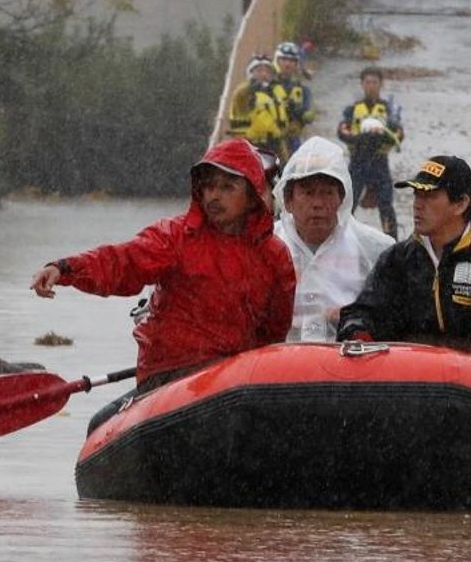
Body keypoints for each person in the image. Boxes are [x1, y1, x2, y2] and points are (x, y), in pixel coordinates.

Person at [31, 138, 296, 431]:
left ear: (252, 195)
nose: (214, 196)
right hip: (170, 375)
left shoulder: (275, 256)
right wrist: (65, 268)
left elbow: (274, 330)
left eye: (227, 187)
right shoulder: (176, 237)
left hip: (234, 378)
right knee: (100, 425)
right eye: (209, 186)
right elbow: (123, 261)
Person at [336, 155, 471, 367]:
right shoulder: (396, 260)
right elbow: (361, 313)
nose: (417, 205)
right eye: (416, 195)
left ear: (461, 204)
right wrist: (358, 333)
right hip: (404, 375)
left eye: (429, 195)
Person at [273, 137, 395, 341]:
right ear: (287, 201)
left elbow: (394, 319)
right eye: (308, 193)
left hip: (348, 356)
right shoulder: (266, 246)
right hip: (278, 357)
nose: (317, 204)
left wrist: (354, 317)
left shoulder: (377, 249)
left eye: (327, 193)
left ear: (342, 199)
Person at [336, 66, 404, 238]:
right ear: (362, 84)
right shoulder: (352, 109)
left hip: (379, 163)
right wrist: (360, 138)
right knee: (347, 205)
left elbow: (399, 134)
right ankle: (340, 239)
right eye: (367, 82)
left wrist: (383, 137)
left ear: (381, 84)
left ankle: (392, 241)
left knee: (386, 206)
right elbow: (342, 132)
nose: (371, 86)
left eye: (374, 82)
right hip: (358, 162)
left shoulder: (389, 110)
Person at [228, 55, 287, 157]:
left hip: (273, 145)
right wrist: (251, 86)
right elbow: (239, 97)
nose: (264, 74)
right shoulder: (245, 93)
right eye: (259, 71)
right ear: (251, 73)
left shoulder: (275, 95)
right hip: (250, 145)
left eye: (268, 71)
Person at [272, 41, 315, 157]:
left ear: (296, 64)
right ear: (276, 61)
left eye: (292, 61)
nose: (287, 64)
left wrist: (298, 112)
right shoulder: (266, 87)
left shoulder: (302, 90)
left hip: (292, 141)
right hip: (269, 141)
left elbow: (310, 115)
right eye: (284, 59)